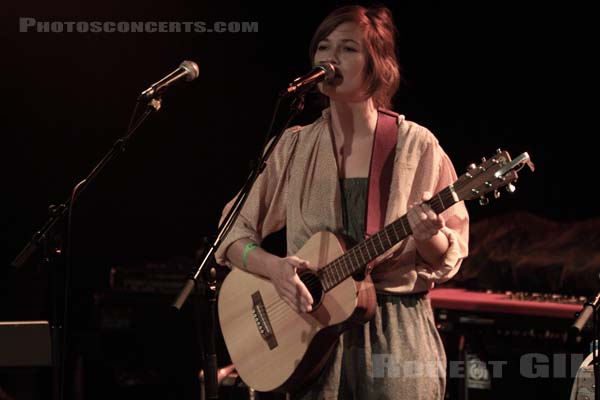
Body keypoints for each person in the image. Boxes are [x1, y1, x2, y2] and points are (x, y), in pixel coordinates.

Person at [214, 4, 469, 399]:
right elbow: (232, 233)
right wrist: (276, 269)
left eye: (348, 48)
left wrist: (427, 237)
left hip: (395, 337)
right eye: (323, 47)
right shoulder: (293, 146)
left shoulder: (417, 146)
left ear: (377, 65)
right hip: (309, 338)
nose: (329, 58)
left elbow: (447, 256)